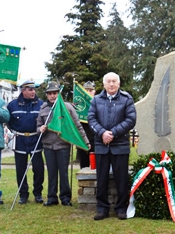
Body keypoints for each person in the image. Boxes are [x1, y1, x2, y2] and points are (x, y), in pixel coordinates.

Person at [89, 72, 137, 220]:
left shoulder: (127, 99)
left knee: (121, 179)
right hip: (101, 146)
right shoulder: (96, 100)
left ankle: (121, 208)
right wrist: (103, 133)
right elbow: (91, 118)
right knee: (101, 178)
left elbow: (131, 119)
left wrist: (113, 133)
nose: (111, 84)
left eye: (114, 81)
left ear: (119, 84)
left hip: (120, 146)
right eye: (108, 81)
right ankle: (102, 209)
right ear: (103, 84)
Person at [37, 81, 90, 206]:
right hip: (48, 146)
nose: (52, 96)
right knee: (51, 173)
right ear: (47, 95)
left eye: (55, 93)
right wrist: (41, 129)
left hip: (63, 145)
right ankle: (51, 198)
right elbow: (38, 126)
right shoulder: (43, 109)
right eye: (50, 93)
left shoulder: (67, 108)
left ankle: (65, 198)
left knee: (64, 173)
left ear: (59, 94)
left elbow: (77, 126)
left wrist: (86, 141)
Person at [7, 79, 44, 204]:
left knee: (38, 169)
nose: (33, 92)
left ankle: (38, 193)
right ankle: (23, 194)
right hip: (20, 139)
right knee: (21, 169)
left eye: (34, 89)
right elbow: (9, 121)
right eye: (30, 89)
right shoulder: (12, 105)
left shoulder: (41, 104)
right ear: (23, 91)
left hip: (36, 138)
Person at [77, 81, 96, 168]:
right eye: (86, 90)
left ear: (94, 91)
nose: (88, 92)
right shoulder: (79, 106)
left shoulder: (99, 103)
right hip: (83, 139)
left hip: (96, 139)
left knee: (96, 166)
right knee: (84, 166)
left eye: (91, 90)